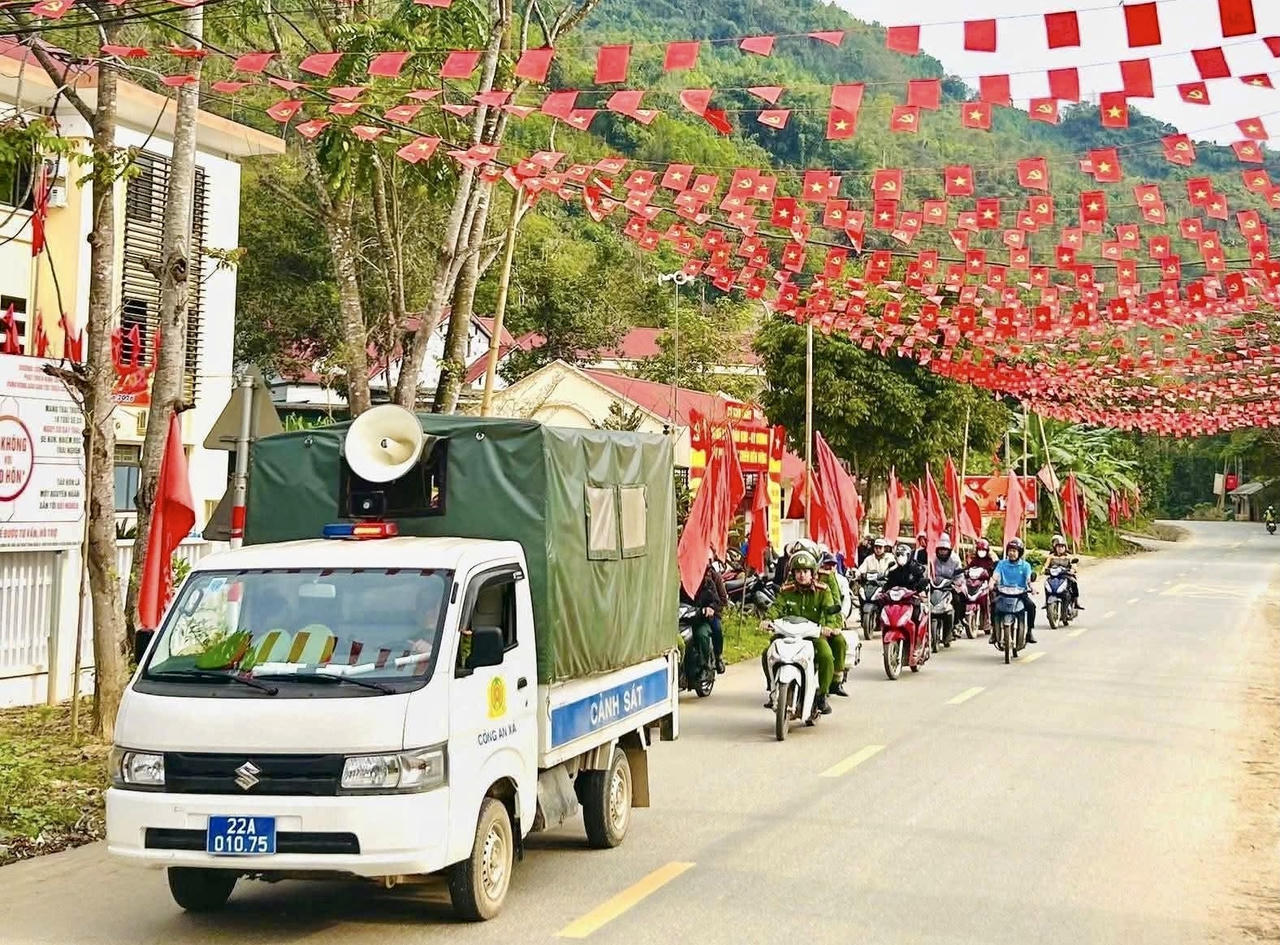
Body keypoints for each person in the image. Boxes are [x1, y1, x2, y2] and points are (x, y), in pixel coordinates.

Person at [763, 551, 838, 715]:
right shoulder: (787, 590)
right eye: (798, 571)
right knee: (767, 653)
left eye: (805, 571)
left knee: (826, 656)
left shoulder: (823, 591)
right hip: (787, 633)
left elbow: (830, 611)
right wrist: (767, 620)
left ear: (812, 573)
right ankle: (773, 689)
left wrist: (829, 627)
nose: (802, 575)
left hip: (812, 635)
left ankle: (822, 695)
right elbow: (777, 607)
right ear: (793, 573)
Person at [684, 557, 729, 674]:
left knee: (710, 631)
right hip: (689, 616)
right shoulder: (685, 580)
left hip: (708, 617)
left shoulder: (712, 579)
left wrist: (711, 609)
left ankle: (715, 659)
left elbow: (721, 600)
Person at [992, 537, 1037, 645]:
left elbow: (1029, 579)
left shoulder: (1025, 566)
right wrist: (990, 584)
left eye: (1014, 551)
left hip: (1020, 594)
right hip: (1003, 593)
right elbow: (995, 576)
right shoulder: (1001, 564)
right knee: (993, 604)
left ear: (1019, 552)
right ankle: (994, 631)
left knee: (1031, 606)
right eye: (1010, 550)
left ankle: (1029, 632)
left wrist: (1033, 587)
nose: (1011, 553)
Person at [817, 553, 850, 696]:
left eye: (832, 565)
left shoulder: (838, 581)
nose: (829, 567)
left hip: (830, 621)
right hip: (809, 625)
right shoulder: (806, 579)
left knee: (839, 643)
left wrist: (838, 621)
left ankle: (836, 682)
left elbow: (838, 603)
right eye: (826, 564)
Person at [885, 540, 930, 627]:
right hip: (897, 600)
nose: (900, 557)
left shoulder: (915, 568)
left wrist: (920, 587)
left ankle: (916, 633)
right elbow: (889, 583)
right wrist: (883, 591)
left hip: (912, 598)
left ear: (909, 555)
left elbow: (921, 581)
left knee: (916, 614)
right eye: (898, 554)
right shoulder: (893, 570)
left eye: (903, 554)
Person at [932, 534, 966, 629]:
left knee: (958, 599)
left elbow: (959, 575)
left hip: (950, 585)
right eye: (940, 549)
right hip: (935, 585)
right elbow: (928, 572)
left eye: (945, 549)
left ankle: (957, 622)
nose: (942, 552)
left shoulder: (955, 559)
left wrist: (956, 583)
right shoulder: (932, 558)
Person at [1044, 534, 1083, 610]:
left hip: (1066, 575)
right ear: (1055, 547)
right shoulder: (1051, 556)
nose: (1060, 548)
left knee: (1074, 582)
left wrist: (1073, 570)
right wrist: (1044, 570)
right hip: (1054, 576)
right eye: (1058, 546)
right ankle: (1046, 602)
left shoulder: (1068, 556)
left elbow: (1074, 565)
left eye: (1062, 546)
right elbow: (1045, 565)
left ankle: (1076, 602)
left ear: (1065, 547)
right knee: (1046, 584)